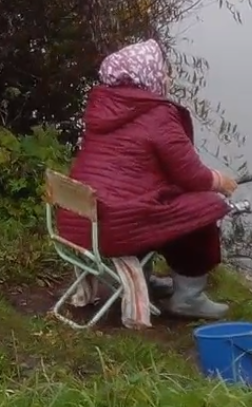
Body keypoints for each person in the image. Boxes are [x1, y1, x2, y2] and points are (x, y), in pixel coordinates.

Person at [56, 39, 239, 320]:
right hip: (109, 228)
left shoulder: (103, 107)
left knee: (149, 200)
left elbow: (132, 171)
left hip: (77, 222)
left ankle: (144, 275)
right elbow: (192, 176)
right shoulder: (157, 114)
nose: (168, 77)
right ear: (147, 74)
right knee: (206, 207)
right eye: (164, 71)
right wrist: (220, 182)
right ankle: (188, 298)